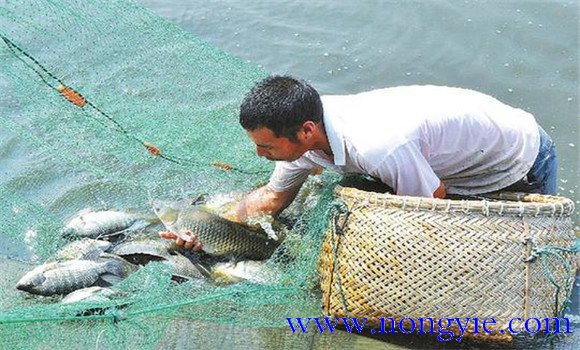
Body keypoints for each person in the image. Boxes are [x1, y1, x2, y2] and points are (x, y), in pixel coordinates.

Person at [160, 75, 557, 250]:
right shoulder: (306, 136)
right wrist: (204, 227)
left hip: (518, 158)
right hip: (448, 151)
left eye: (266, 147)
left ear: (306, 131)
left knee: (519, 255)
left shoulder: (376, 144)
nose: (259, 155)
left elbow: (433, 203)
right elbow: (270, 198)